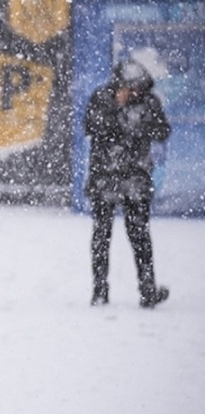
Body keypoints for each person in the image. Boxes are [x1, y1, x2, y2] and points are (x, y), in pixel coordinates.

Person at [84, 60, 171, 308]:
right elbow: (91, 127)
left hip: (135, 178)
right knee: (101, 236)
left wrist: (140, 123)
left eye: (138, 88)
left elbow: (163, 130)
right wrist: (116, 109)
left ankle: (147, 291)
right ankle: (99, 291)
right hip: (105, 178)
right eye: (129, 88)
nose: (134, 93)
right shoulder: (102, 98)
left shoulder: (149, 102)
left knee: (140, 236)